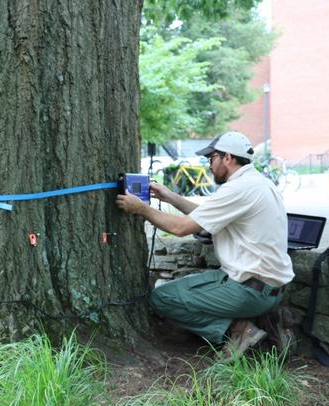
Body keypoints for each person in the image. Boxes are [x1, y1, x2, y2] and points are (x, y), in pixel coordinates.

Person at [117, 132, 294, 356]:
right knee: (179, 286)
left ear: (227, 158)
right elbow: (204, 217)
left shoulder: (238, 189)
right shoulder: (258, 183)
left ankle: (237, 332)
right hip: (266, 288)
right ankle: (268, 321)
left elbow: (180, 228)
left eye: (211, 159)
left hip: (248, 290)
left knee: (162, 297)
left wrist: (140, 208)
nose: (209, 165)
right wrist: (170, 196)